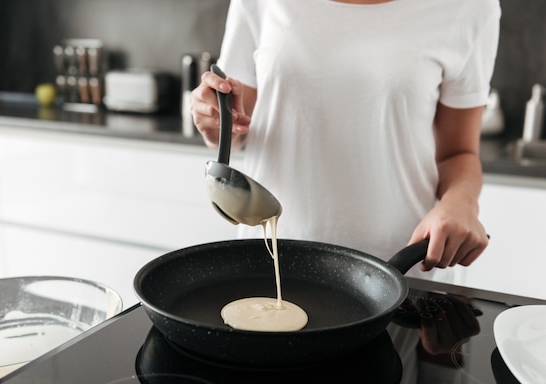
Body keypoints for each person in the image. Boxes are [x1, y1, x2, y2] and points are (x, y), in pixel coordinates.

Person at [190, 0, 499, 283]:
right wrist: (213, 120)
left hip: (396, 268)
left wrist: (461, 203)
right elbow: (236, 127)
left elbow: (458, 153)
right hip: (270, 259)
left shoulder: (469, 8)